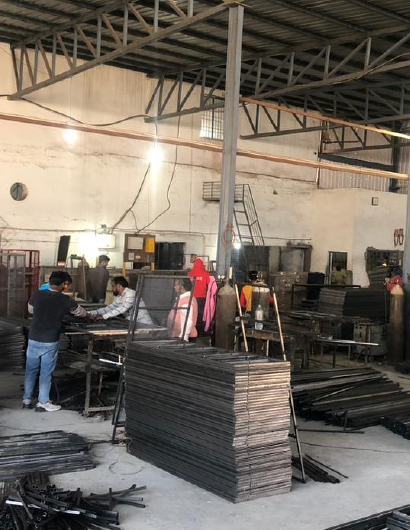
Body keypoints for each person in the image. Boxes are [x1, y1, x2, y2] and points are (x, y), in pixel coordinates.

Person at [23, 271, 87, 412]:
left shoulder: (37, 294)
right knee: (45, 372)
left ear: (50, 281)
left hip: (34, 337)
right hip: (50, 340)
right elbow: (81, 313)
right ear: (63, 284)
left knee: (31, 370)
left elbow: (31, 310)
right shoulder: (65, 299)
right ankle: (43, 402)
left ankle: (26, 400)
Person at [88, 276, 153, 325]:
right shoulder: (120, 297)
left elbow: (122, 309)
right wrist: (90, 313)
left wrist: (104, 316)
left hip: (144, 324)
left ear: (119, 286)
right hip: (134, 324)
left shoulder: (131, 294)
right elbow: (109, 308)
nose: (112, 289)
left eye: (113, 286)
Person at [188, 254, 210, 333]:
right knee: (202, 313)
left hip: (193, 297)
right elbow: (209, 284)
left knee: (192, 313)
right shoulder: (206, 274)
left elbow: (187, 284)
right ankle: (202, 331)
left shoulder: (190, 274)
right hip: (202, 297)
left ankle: (192, 330)